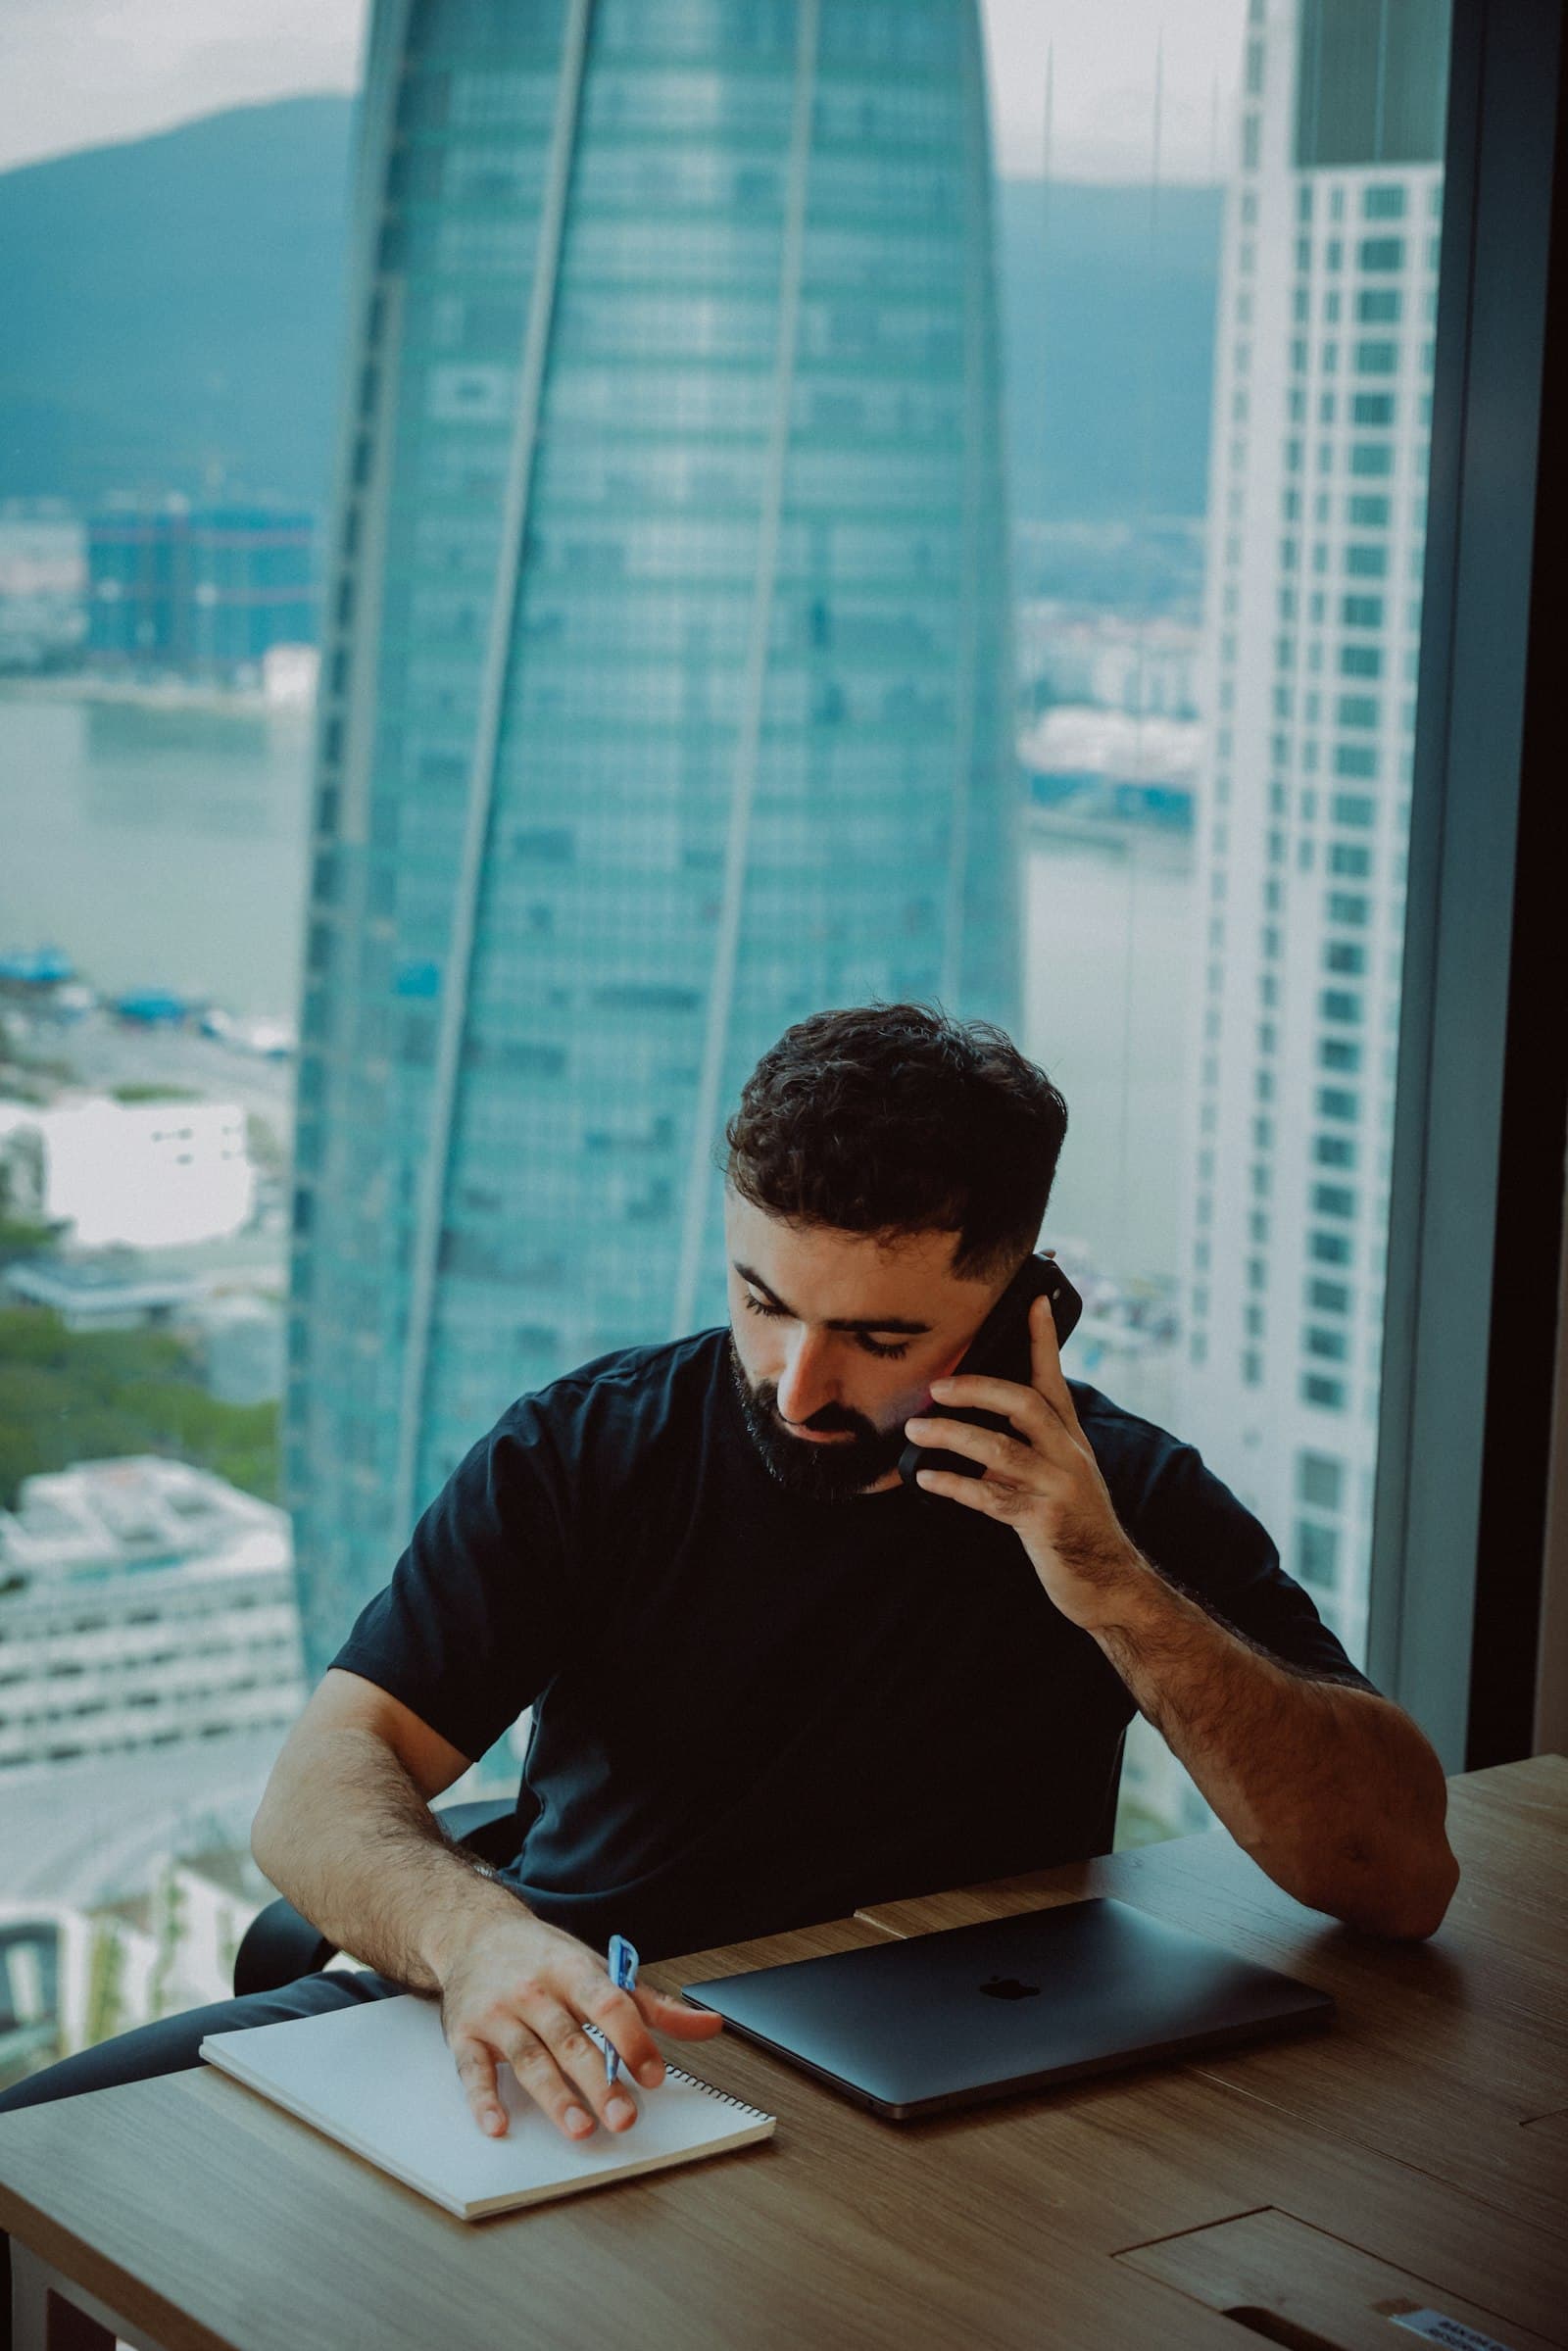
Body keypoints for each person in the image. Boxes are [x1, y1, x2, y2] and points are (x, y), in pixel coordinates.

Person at [0, 1003, 1458, 2190]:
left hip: (936, 2095)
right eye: (764, 1302)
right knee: (37, 2158)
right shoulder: (592, 1446)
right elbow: (316, 1793)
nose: (798, 1384)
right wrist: (478, 1936)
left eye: (879, 1337)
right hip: (566, 2013)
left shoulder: (1116, 1507)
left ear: (1026, 1310)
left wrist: (1109, 1587)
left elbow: (1394, 1879)